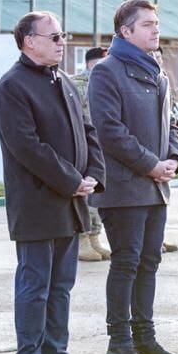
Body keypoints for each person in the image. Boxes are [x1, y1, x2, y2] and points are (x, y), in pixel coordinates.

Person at [0, 12, 106, 354]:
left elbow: (88, 131)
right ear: (29, 40)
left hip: (70, 202)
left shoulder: (64, 82)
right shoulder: (13, 86)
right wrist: (71, 179)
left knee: (61, 286)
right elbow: (27, 146)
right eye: (55, 36)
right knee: (35, 285)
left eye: (63, 35)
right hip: (38, 203)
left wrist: (94, 174)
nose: (62, 42)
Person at [89, 0, 178, 354]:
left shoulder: (157, 73)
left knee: (150, 262)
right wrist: (150, 164)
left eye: (156, 23)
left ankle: (146, 339)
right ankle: (120, 343)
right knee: (126, 263)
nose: (155, 30)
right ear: (125, 32)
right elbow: (109, 131)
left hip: (155, 187)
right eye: (147, 25)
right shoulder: (107, 72)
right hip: (124, 188)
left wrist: (173, 160)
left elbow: (171, 125)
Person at [70, 46, 112, 262]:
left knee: (97, 197)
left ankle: (95, 237)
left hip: (102, 147)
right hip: (84, 147)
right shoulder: (76, 84)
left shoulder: (105, 82)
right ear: (89, 63)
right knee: (86, 196)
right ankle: (83, 239)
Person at [150, 46, 178, 254]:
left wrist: (176, 154)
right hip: (146, 161)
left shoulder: (163, 79)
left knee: (162, 202)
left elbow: (171, 116)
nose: (157, 60)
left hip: (164, 156)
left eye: (159, 57)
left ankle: (160, 238)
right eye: (153, 56)